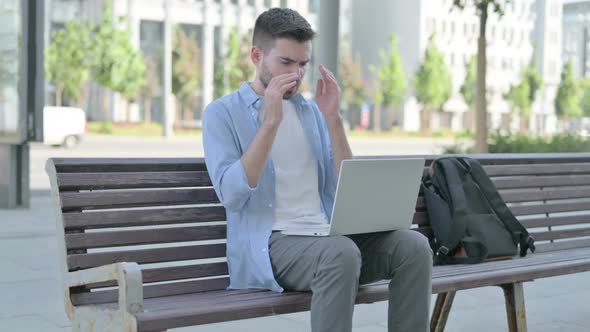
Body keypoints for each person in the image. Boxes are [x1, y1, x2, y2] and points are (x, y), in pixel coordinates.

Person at [203, 7, 432, 332]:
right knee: (339, 253)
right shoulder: (222, 114)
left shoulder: (312, 113)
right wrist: (270, 121)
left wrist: (333, 119)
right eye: (286, 62)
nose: (296, 74)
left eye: (303, 64)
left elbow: (345, 183)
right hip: (272, 244)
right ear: (257, 55)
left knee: (413, 247)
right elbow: (231, 194)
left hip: (327, 237)